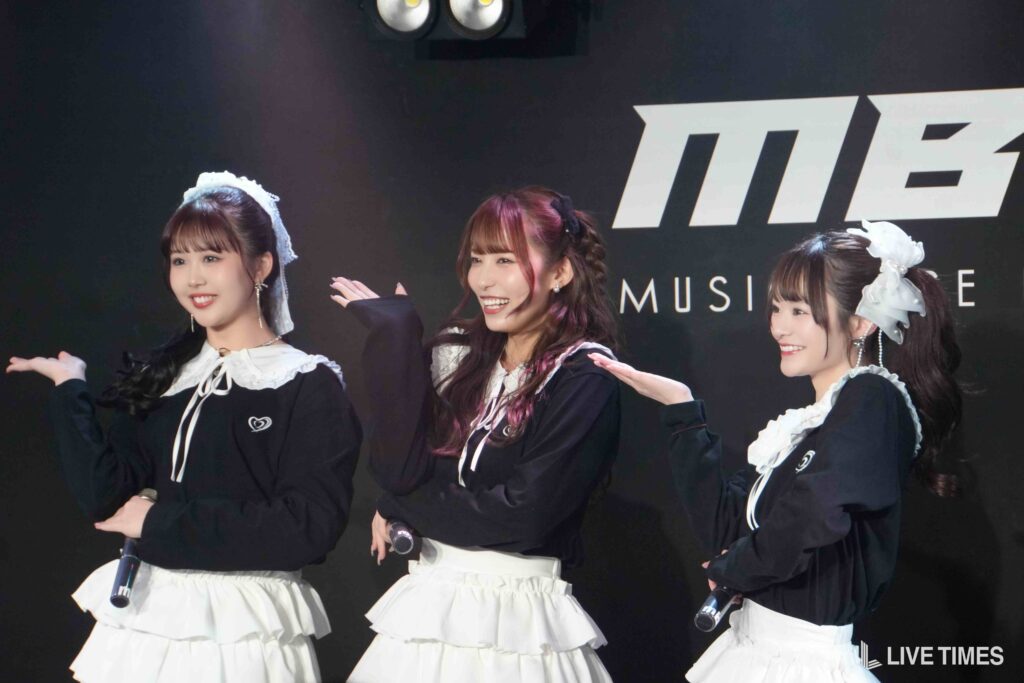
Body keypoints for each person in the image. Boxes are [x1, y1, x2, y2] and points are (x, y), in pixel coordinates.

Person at [7, 171, 361, 683]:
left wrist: (159, 523)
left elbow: (308, 527)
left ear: (262, 265)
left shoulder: (306, 382)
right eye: (180, 260)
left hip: (244, 630)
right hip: (146, 620)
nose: (193, 278)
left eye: (211, 258)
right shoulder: (167, 376)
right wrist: (69, 390)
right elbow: (105, 498)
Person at [590, 220, 962, 683]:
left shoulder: (873, 397)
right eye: (777, 308)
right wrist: (682, 412)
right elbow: (725, 529)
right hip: (754, 651)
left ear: (862, 321)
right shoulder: (805, 426)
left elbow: (815, 512)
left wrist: (736, 569)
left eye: (800, 311)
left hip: (802, 665)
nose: (779, 327)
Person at [330, 187, 621, 682]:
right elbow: (398, 471)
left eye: (505, 260)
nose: (483, 279)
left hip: (520, 625)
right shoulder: (459, 356)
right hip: (428, 607)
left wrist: (406, 506)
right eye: (477, 259)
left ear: (560, 273)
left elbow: (524, 516)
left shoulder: (584, 376)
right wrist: (396, 339)